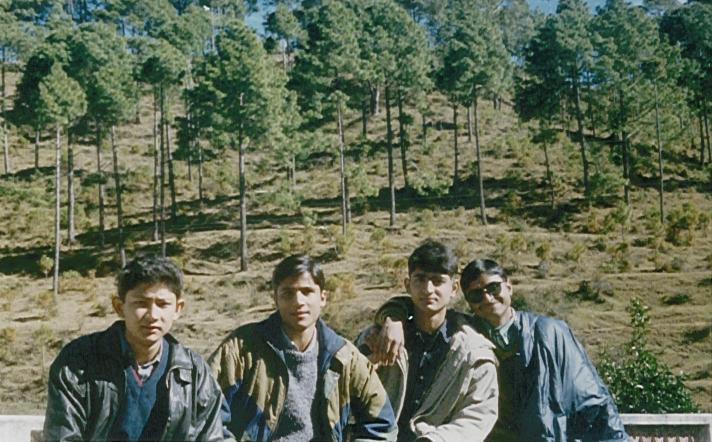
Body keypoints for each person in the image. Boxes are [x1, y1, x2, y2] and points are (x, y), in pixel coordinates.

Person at [372, 258, 629, 442]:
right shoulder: (466, 335)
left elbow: (591, 398)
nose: (487, 298)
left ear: (509, 286)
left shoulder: (550, 332)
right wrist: (392, 318)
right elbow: (419, 306)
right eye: (476, 295)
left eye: (493, 288)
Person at [209, 254, 397, 441]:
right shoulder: (242, 349)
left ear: (323, 298)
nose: (298, 302)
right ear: (276, 299)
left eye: (307, 292)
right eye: (288, 293)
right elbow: (206, 414)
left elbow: (382, 426)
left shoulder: (344, 357)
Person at [43, 255, 230, 441]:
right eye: (141, 303)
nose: (153, 315)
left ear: (177, 309)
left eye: (163, 304)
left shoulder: (193, 373)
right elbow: (62, 435)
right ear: (119, 307)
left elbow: (214, 436)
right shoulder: (79, 362)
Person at [358, 240, 499, 442]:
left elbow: (477, 415)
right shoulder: (380, 337)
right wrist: (367, 366)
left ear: (454, 288)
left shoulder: (473, 352)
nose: (428, 289)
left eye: (437, 281)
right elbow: (347, 391)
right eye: (420, 279)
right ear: (408, 285)